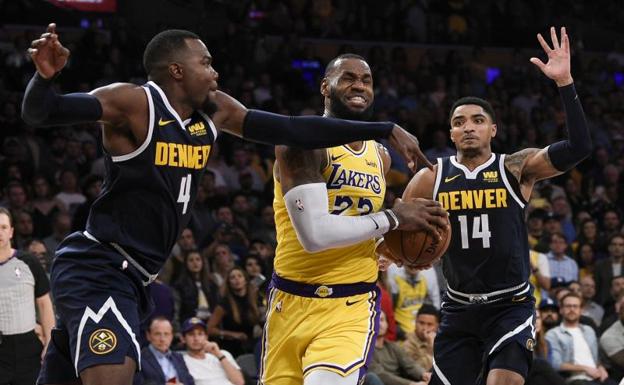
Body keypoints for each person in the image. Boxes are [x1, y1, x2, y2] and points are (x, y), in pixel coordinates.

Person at [23, 24, 432, 385]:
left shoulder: (215, 112)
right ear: (176, 71)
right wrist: (44, 79)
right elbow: (44, 113)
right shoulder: (132, 104)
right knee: (116, 374)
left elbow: (292, 128)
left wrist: (385, 128)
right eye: (206, 62)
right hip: (100, 265)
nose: (215, 72)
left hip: (138, 275)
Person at [401, 27, 592, 385]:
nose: (468, 127)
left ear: (493, 130)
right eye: (459, 122)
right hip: (458, 307)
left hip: (510, 305)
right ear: (451, 133)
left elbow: (579, 147)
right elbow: (399, 225)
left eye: (478, 120)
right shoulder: (432, 176)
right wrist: (392, 251)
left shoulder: (514, 167)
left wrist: (565, 82)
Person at [259, 54, 448, 385]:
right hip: (288, 301)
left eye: (366, 79)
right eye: (348, 78)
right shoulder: (302, 145)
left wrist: (391, 251)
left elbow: (362, 220)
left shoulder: (381, 156)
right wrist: (393, 219)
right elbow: (315, 235)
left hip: (351, 302)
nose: (359, 85)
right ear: (325, 88)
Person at [0, 208, 55, 385]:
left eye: (3, 227)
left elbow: (45, 305)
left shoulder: (28, 262)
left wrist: (49, 343)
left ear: (11, 232)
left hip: (28, 347)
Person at [545, 293, 613, 385]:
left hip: (598, 377)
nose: (572, 309)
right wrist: (585, 368)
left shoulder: (589, 330)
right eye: (568, 306)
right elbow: (556, 364)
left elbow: (596, 359)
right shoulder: (553, 334)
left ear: (581, 310)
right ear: (561, 310)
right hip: (574, 380)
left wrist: (601, 367)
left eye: (575, 306)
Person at [369, 311, 430, 385]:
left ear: (387, 324)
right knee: (371, 377)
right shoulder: (365, 351)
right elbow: (381, 375)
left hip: (404, 381)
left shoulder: (393, 346)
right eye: (374, 320)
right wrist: (411, 384)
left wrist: (424, 374)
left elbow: (410, 365)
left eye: (381, 320)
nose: (378, 323)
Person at [180, 317, 243, 385]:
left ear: (206, 337)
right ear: (183, 339)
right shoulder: (181, 361)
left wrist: (219, 355)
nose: (196, 338)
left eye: (200, 334)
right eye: (191, 334)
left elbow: (239, 382)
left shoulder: (223, 354)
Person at [135, 317, 195, 385]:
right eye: (157, 334)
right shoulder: (140, 359)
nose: (162, 339)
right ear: (148, 335)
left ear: (171, 336)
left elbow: (190, 382)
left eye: (166, 334)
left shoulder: (178, 357)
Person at [403, 304, 439, 371]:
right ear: (415, 322)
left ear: (437, 326)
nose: (425, 328)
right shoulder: (407, 345)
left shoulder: (441, 341)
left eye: (429, 324)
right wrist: (430, 351)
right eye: (421, 323)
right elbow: (417, 371)